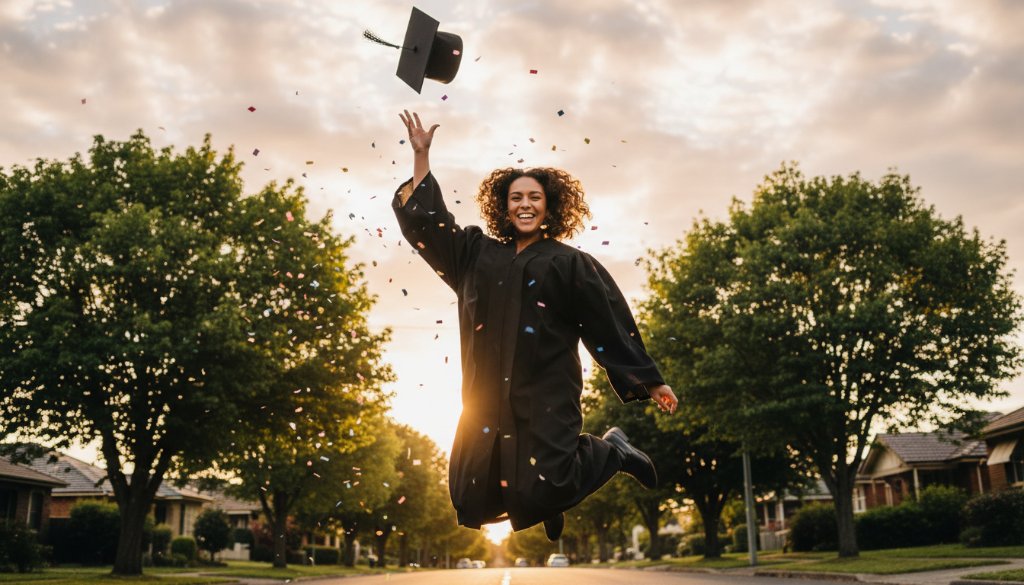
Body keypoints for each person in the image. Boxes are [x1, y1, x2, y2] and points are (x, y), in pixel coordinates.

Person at [393, 110, 678, 541]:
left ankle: (612, 452)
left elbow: (607, 321)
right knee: (470, 492)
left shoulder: (569, 263)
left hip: (543, 393)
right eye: (515, 198)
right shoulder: (474, 255)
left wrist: (649, 380)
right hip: (484, 397)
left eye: (534, 197)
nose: (525, 204)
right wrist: (422, 156)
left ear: (549, 206)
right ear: (503, 207)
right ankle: (548, 502)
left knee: (551, 479)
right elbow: (432, 225)